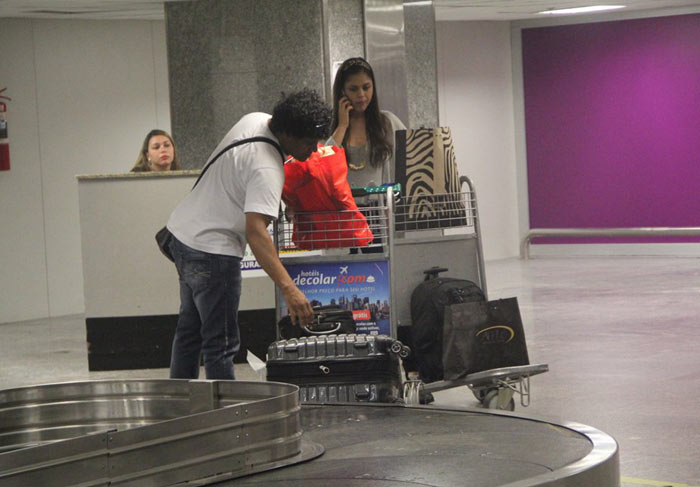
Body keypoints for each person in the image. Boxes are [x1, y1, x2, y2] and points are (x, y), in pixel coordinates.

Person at [165, 89, 331, 380]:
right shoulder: (267, 168)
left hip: (183, 236)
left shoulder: (255, 120)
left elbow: (239, 175)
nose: (314, 149)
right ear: (289, 135)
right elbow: (256, 233)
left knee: (189, 333)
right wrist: (289, 289)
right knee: (221, 344)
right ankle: (227, 415)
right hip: (214, 253)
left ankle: (181, 403)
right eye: (309, 142)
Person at [328, 57, 406, 188]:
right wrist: (342, 127)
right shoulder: (330, 126)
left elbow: (412, 157)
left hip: (380, 205)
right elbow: (324, 165)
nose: (361, 94)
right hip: (344, 207)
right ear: (342, 91)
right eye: (353, 89)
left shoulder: (387, 122)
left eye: (366, 87)